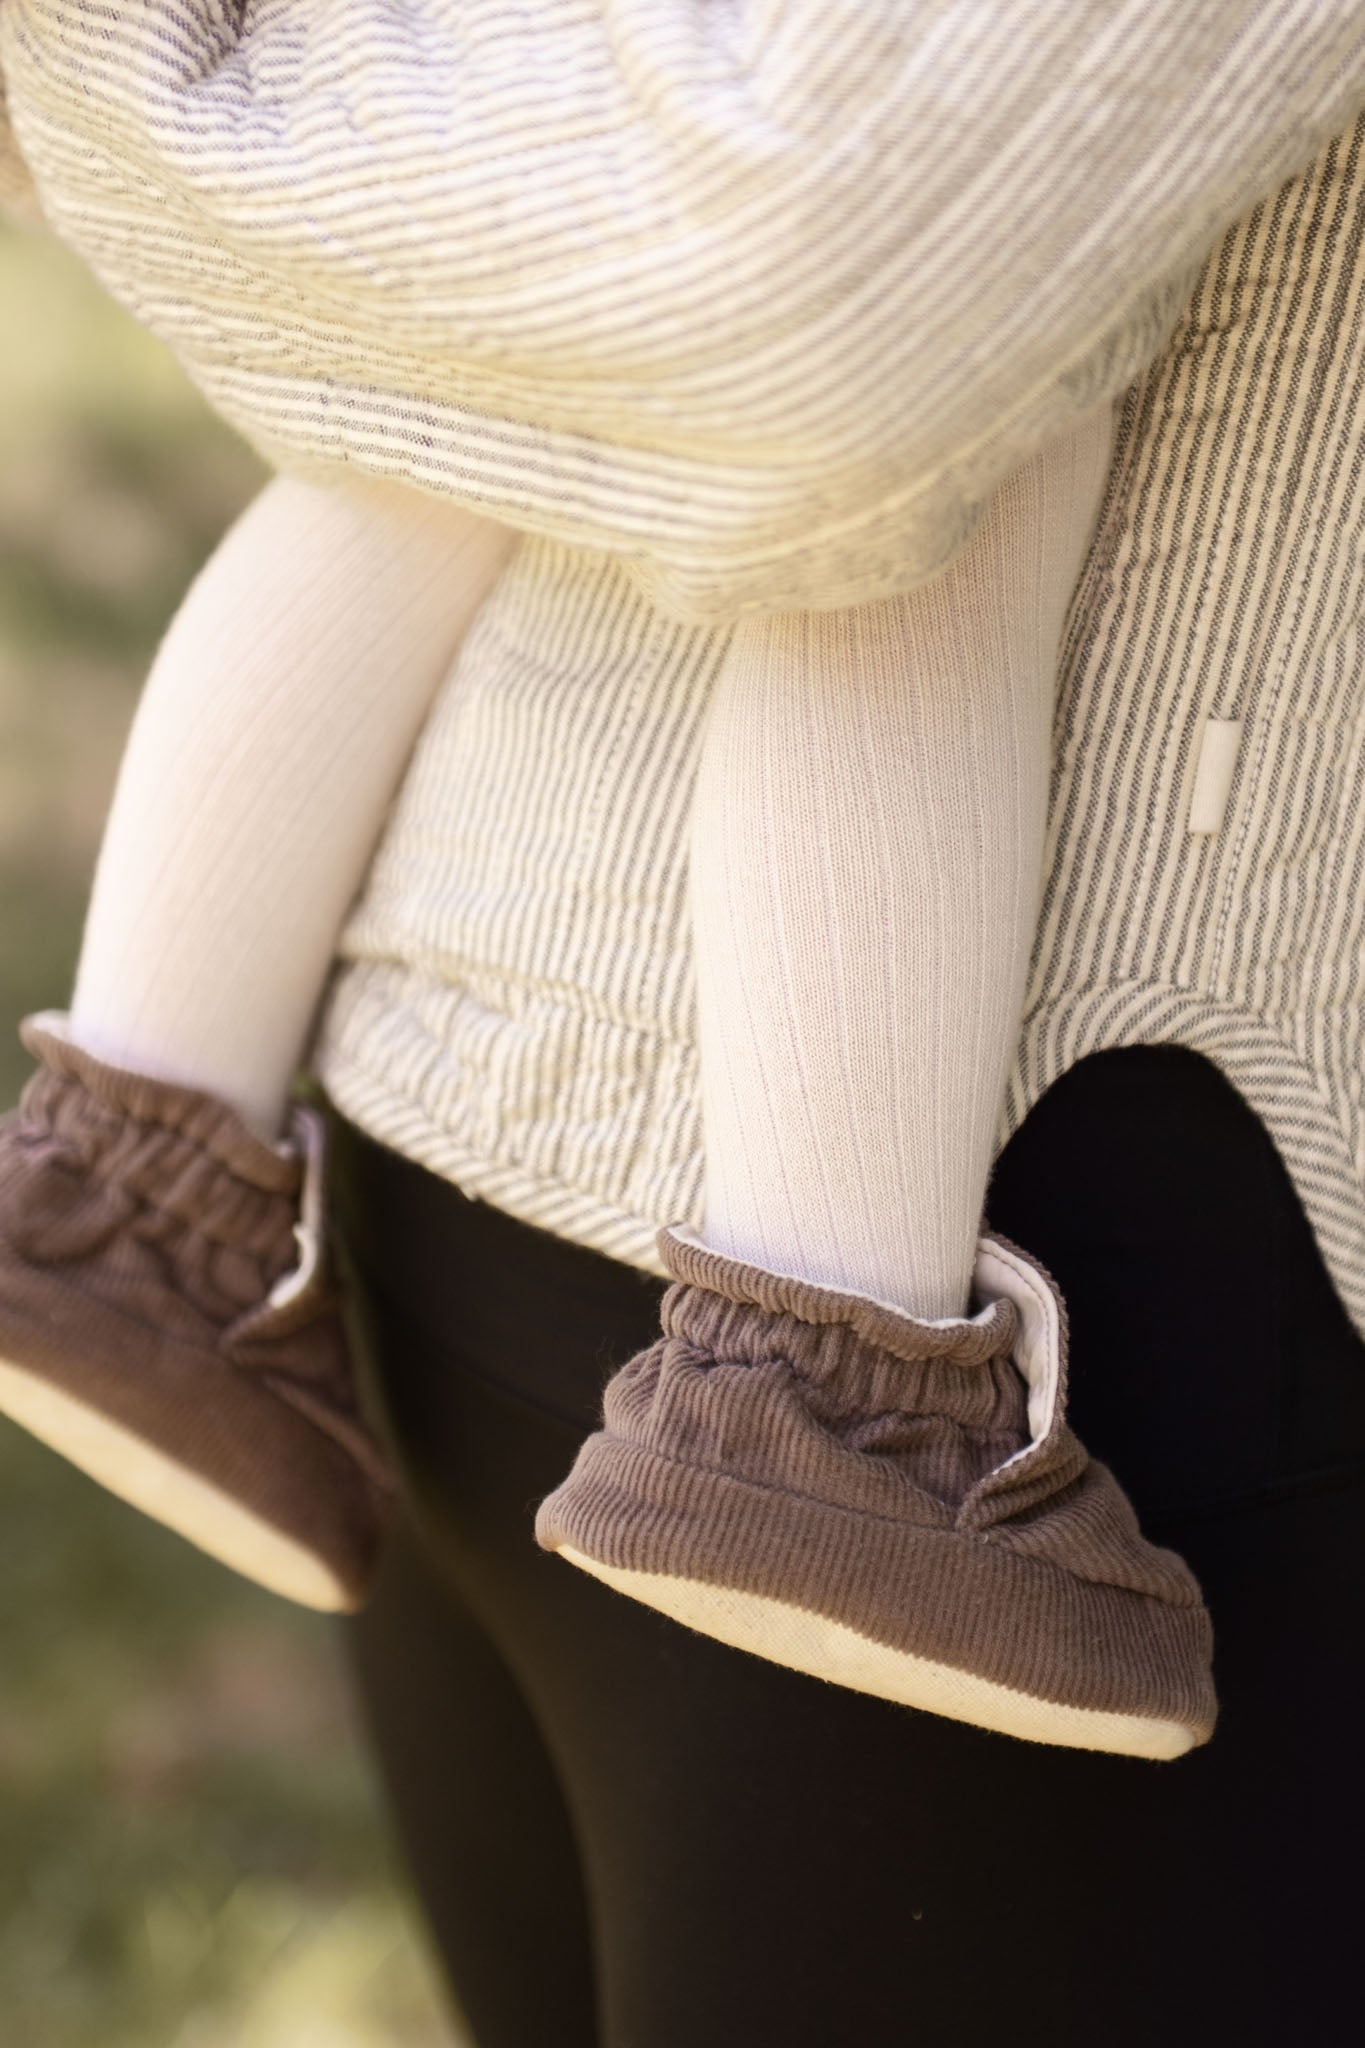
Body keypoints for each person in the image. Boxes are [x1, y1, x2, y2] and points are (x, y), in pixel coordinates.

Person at [0, 9, 1362, 2028]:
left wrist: (312, 157)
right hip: (970, 1162)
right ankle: (829, 1405)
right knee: (955, 430)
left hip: (432, 1063)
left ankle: (125, 1188)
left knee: (445, 413)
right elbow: (854, 306)